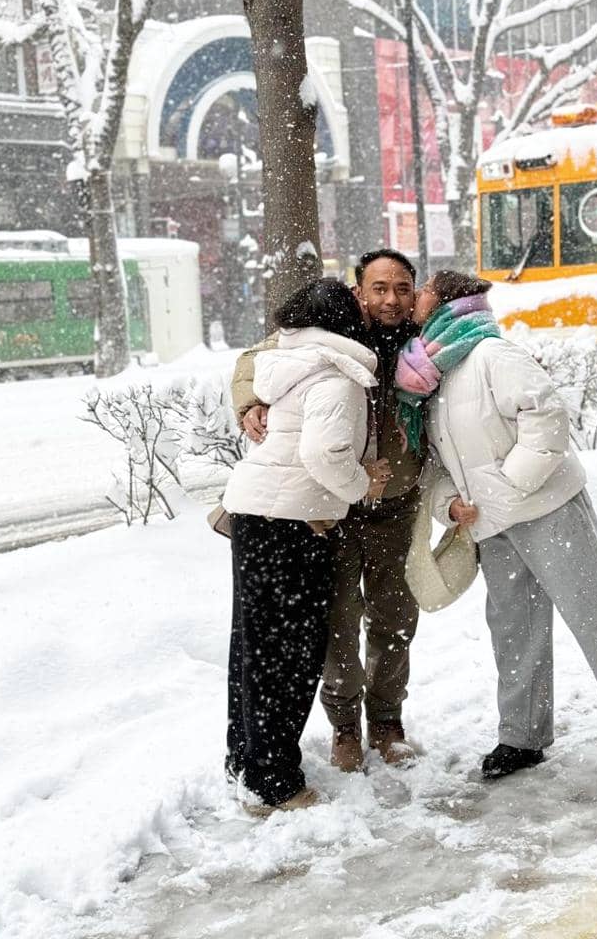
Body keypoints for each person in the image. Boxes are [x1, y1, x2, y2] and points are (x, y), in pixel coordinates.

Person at [396, 269, 597, 780]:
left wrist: (510, 483)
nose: (412, 299)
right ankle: (522, 737)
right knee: (514, 630)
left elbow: (546, 416)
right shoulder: (431, 374)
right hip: (490, 525)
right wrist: (450, 505)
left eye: (422, 291)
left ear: (446, 303)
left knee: (595, 615)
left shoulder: (490, 355)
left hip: (547, 509)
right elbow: (437, 463)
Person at [231, 249, 424, 772]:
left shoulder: (424, 342)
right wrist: (250, 401)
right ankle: (344, 726)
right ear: (359, 291)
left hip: (395, 504)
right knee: (338, 623)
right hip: (333, 509)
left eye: (402, 288)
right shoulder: (337, 334)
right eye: (379, 287)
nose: (391, 298)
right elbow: (257, 359)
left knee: (395, 618)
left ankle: (387, 720)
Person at [222, 278, 391, 815]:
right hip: (290, 521)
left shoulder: (289, 365)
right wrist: (364, 483)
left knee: (253, 646)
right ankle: (276, 784)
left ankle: (247, 759)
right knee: (289, 656)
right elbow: (324, 455)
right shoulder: (336, 378)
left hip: (257, 513)